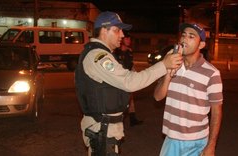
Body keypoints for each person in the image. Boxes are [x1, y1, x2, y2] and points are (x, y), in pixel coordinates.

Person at [75, 11, 183, 156]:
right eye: (117, 30)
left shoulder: (104, 54)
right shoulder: (98, 56)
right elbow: (130, 82)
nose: (122, 35)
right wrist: (163, 65)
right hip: (102, 130)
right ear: (103, 30)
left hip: (106, 130)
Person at [154, 23, 223, 156]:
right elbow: (157, 97)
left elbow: (216, 112)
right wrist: (168, 74)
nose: (184, 39)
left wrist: (211, 145)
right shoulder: (171, 64)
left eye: (191, 36)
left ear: (201, 45)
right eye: (183, 35)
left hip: (197, 142)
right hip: (171, 139)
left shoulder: (212, 73)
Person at [113, 31, 143, 127]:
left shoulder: (129, 52)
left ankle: (132, 119)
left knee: (130, 100)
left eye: (129, 39)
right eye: (126, 38)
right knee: (119, 102)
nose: (129, 40)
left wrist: (135, 76)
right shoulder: (116, 52)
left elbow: (131, 65)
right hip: (119, 80)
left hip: (128, 79)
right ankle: (117, 123)